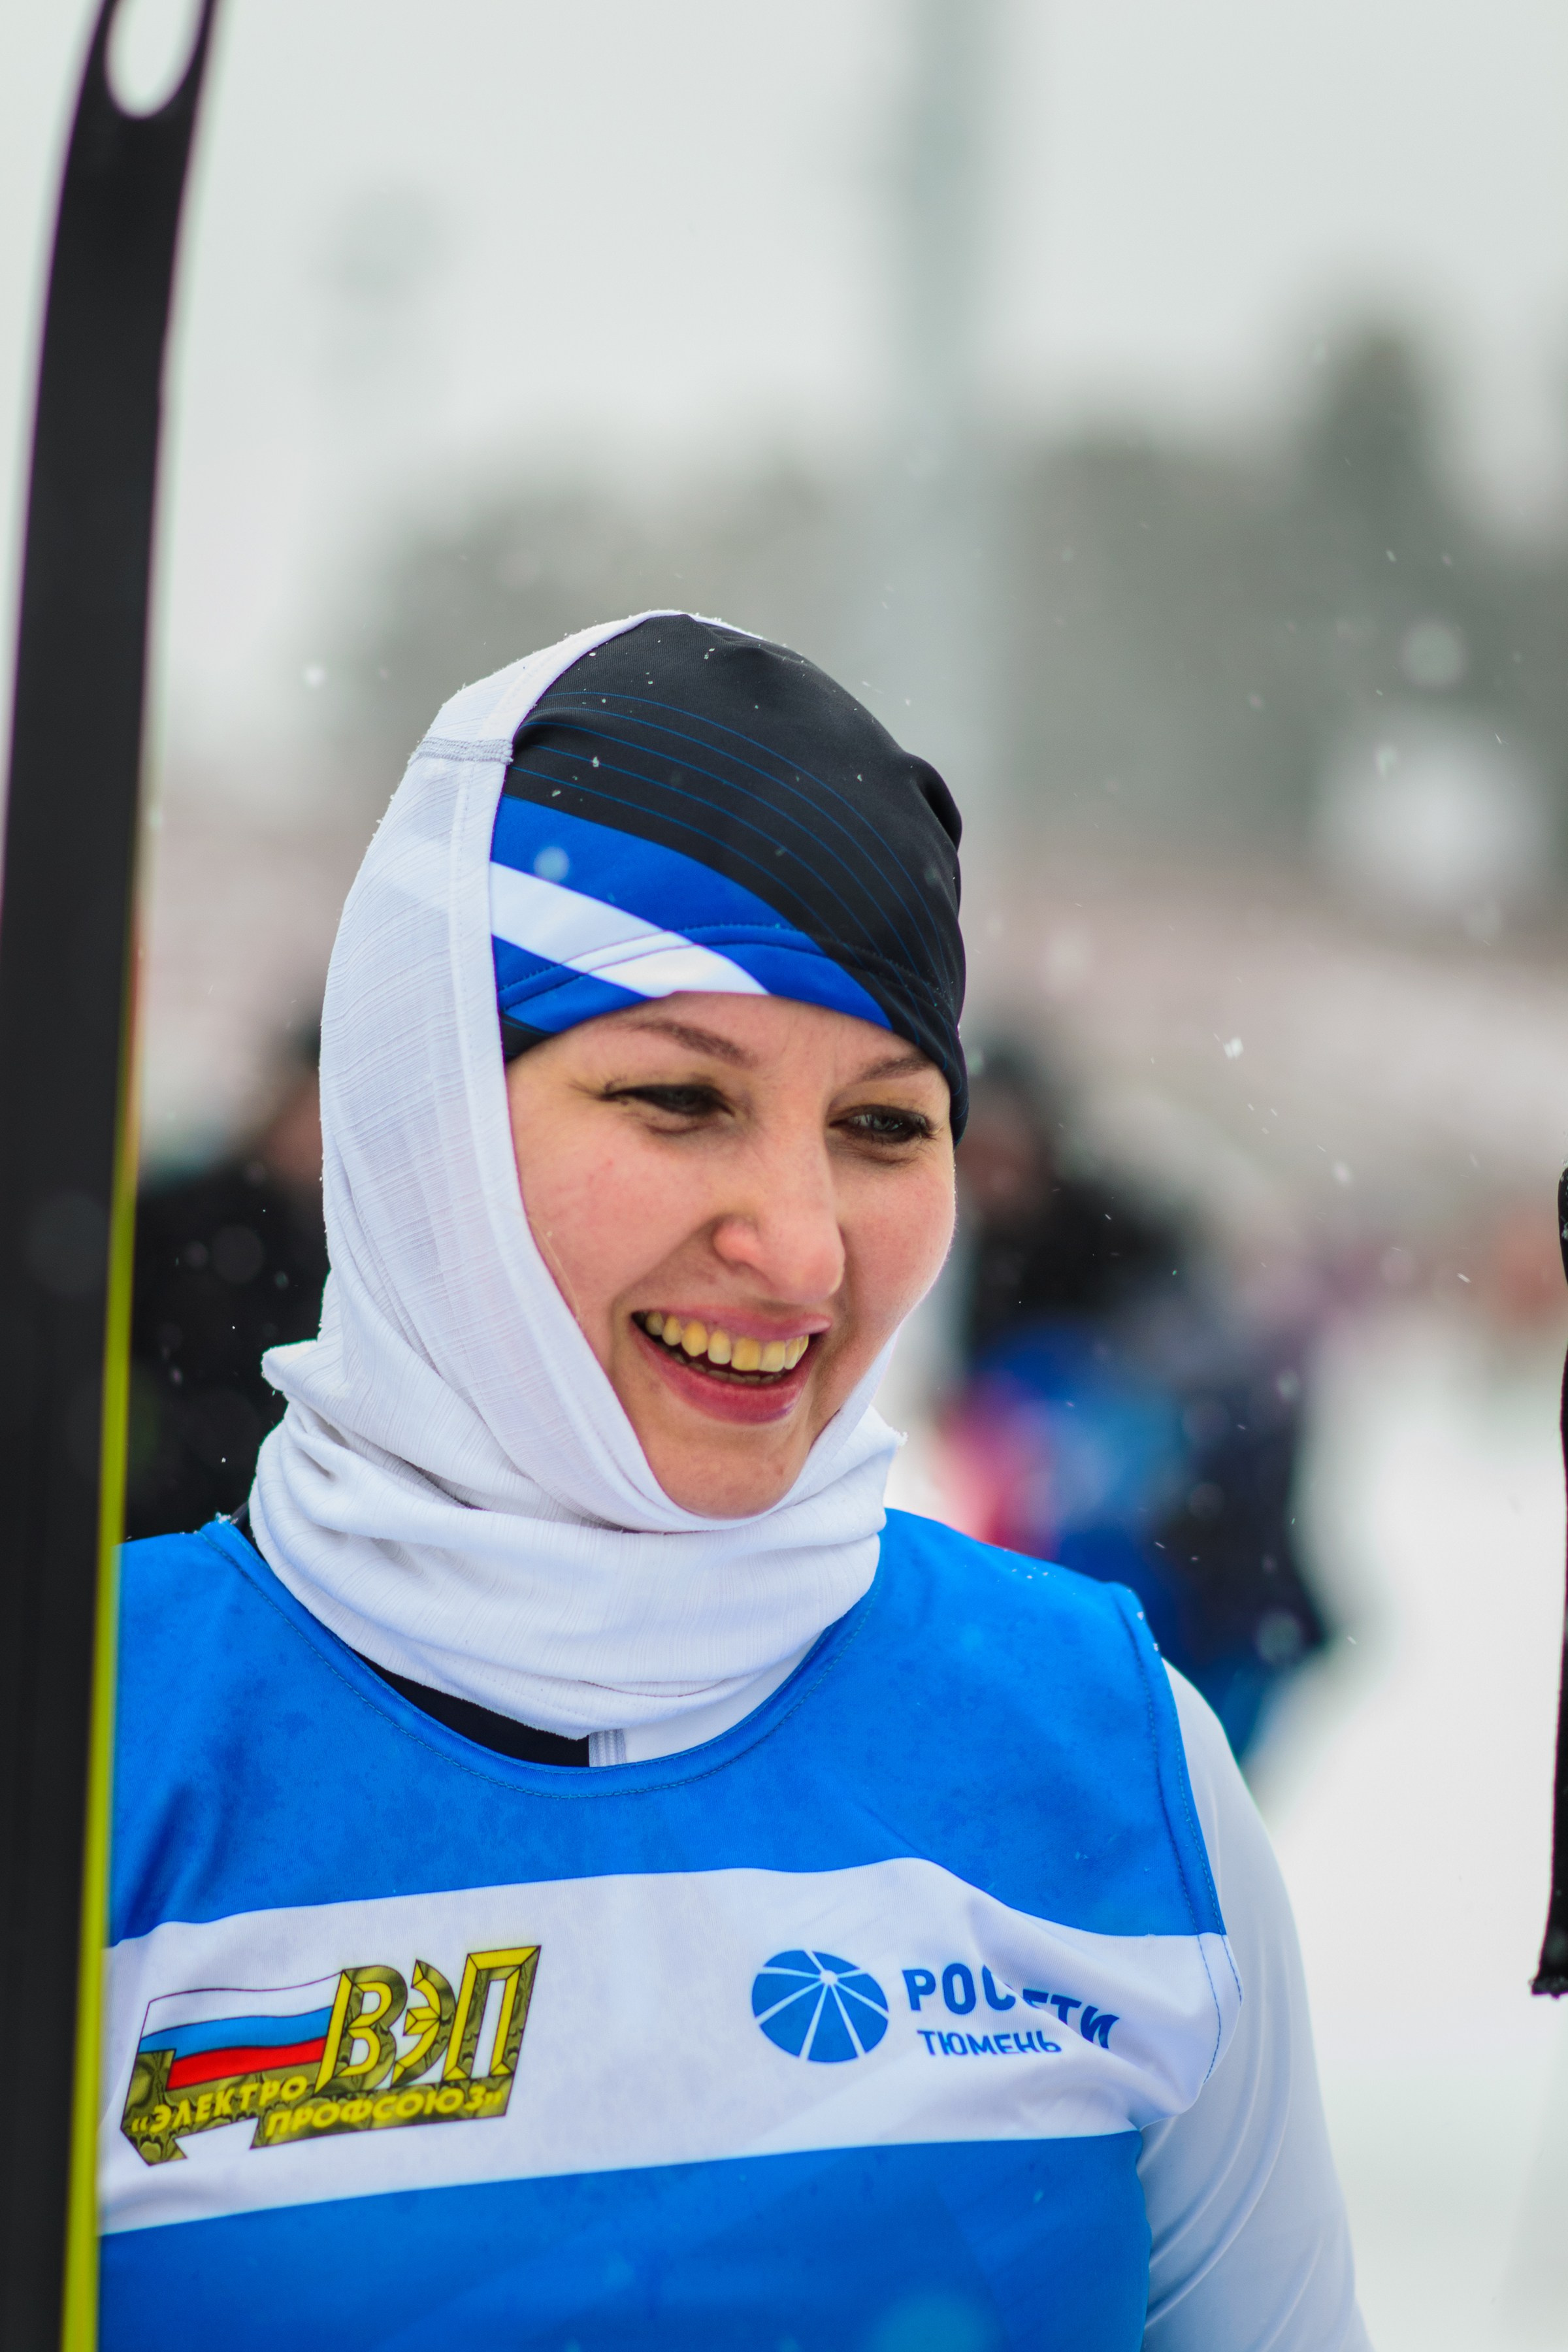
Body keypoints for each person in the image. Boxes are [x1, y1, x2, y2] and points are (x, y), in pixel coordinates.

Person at [101, 614, 1367, 2351]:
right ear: (431, 1122)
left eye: (882, 1127)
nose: (799, 1246)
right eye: (681, 1101)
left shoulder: (1106, 1750)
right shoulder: (94, 1746)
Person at [945, 1047, 1331, 1761]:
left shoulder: (1125, 1235)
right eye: (975, 1151)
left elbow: (1217, 1384)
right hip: (1100, 1575)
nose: (990, 1173)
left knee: (1183, 1797)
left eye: (1006, 1145)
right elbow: (981, 1421)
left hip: (1212, 1589)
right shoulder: (980, 1252)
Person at [125, 1026, 327, 1539]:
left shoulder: (348, 1245)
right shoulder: (181, 1219)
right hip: (169, 1505)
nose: (321, 1131)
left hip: (272, 1514)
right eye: (314, 1102)